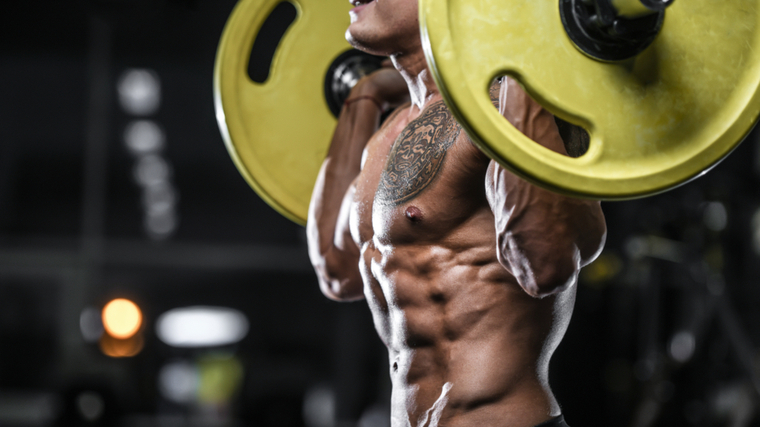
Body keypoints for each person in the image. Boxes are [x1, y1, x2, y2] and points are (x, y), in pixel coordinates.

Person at [306, 0, 607, 425]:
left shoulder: (503, 103)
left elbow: (547, 263)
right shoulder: (387, 135)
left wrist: (522, 54)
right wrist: (364, 96)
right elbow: (337, 271)